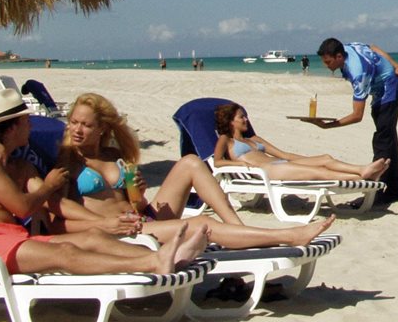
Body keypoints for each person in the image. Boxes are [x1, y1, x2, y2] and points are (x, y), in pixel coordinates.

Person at [0, 89, 208, 276]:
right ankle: (151, 263)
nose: (30, 128)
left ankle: (162, 258)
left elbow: (56, 203)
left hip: (12, 240)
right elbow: (22, 207)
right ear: (12, 127)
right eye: (26, 122)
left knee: (93, 237)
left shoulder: (19, 166)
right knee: (65, 254)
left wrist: (101, 223)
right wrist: (49, 184)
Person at [53, 93, 333, 248]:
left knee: (190, 161)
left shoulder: (114, 155)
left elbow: (135, 202)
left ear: (102, 129)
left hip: (142, 217)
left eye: (86, 125)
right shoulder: (67, 161)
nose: (77, 129)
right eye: (74, 122)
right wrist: (103, 225)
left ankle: (237, 229)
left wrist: (136, 193)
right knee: (200, 225)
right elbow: (57, 218)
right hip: (121, 232)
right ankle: (286, 236)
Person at [316, 38, 398, 204]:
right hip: (379, 91)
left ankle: (378, 190)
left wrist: (328, 126)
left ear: (339, 57)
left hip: (389, 87)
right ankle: (395, 191)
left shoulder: (358, 72)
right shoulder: (348, 48)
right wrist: (396, 65)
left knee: (382, 139)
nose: (326, 65)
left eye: (328, 62)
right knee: (388, 138)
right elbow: (374, 47)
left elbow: (357, 115)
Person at [212, 101, 388, 183]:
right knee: (319, 172)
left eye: (245, 116)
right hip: (267, 171)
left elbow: (284, 155)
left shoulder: (254, 139)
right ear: (230, 121)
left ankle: (362, 171)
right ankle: (362, 178)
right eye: (241, 117)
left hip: (280, 163)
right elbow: (218, 162)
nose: (246, 119)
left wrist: (308, 159)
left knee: (325, 159)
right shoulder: (226, 140)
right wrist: (239, 166)